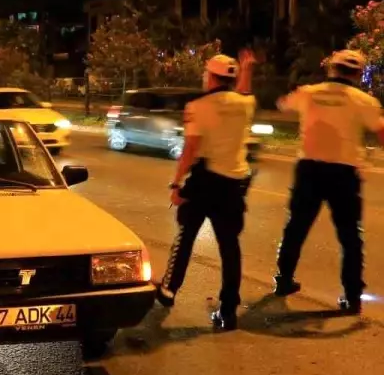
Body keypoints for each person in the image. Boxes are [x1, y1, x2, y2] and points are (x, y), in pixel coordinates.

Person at [273, 50, 384, 314]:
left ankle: (283, 280)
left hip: (309, 170)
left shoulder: (310, 92)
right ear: (357, 73)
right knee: (349, 236)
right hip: (344, 174)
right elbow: (381, 131)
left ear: (332, 69)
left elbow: (282, 104)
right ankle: (352, 296)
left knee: (296, 228)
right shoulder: (364, 100)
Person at [155, 50, 257, 331]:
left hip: (204, 182)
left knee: (186, 236)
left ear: (210, 76)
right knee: (230, 247)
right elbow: (242, 93)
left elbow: (190, 149)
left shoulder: (197, 106)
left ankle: (169, 289)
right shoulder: (245, 103)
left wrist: (177, 183)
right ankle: (228, 309)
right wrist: (247, 70)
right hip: (234, 184)